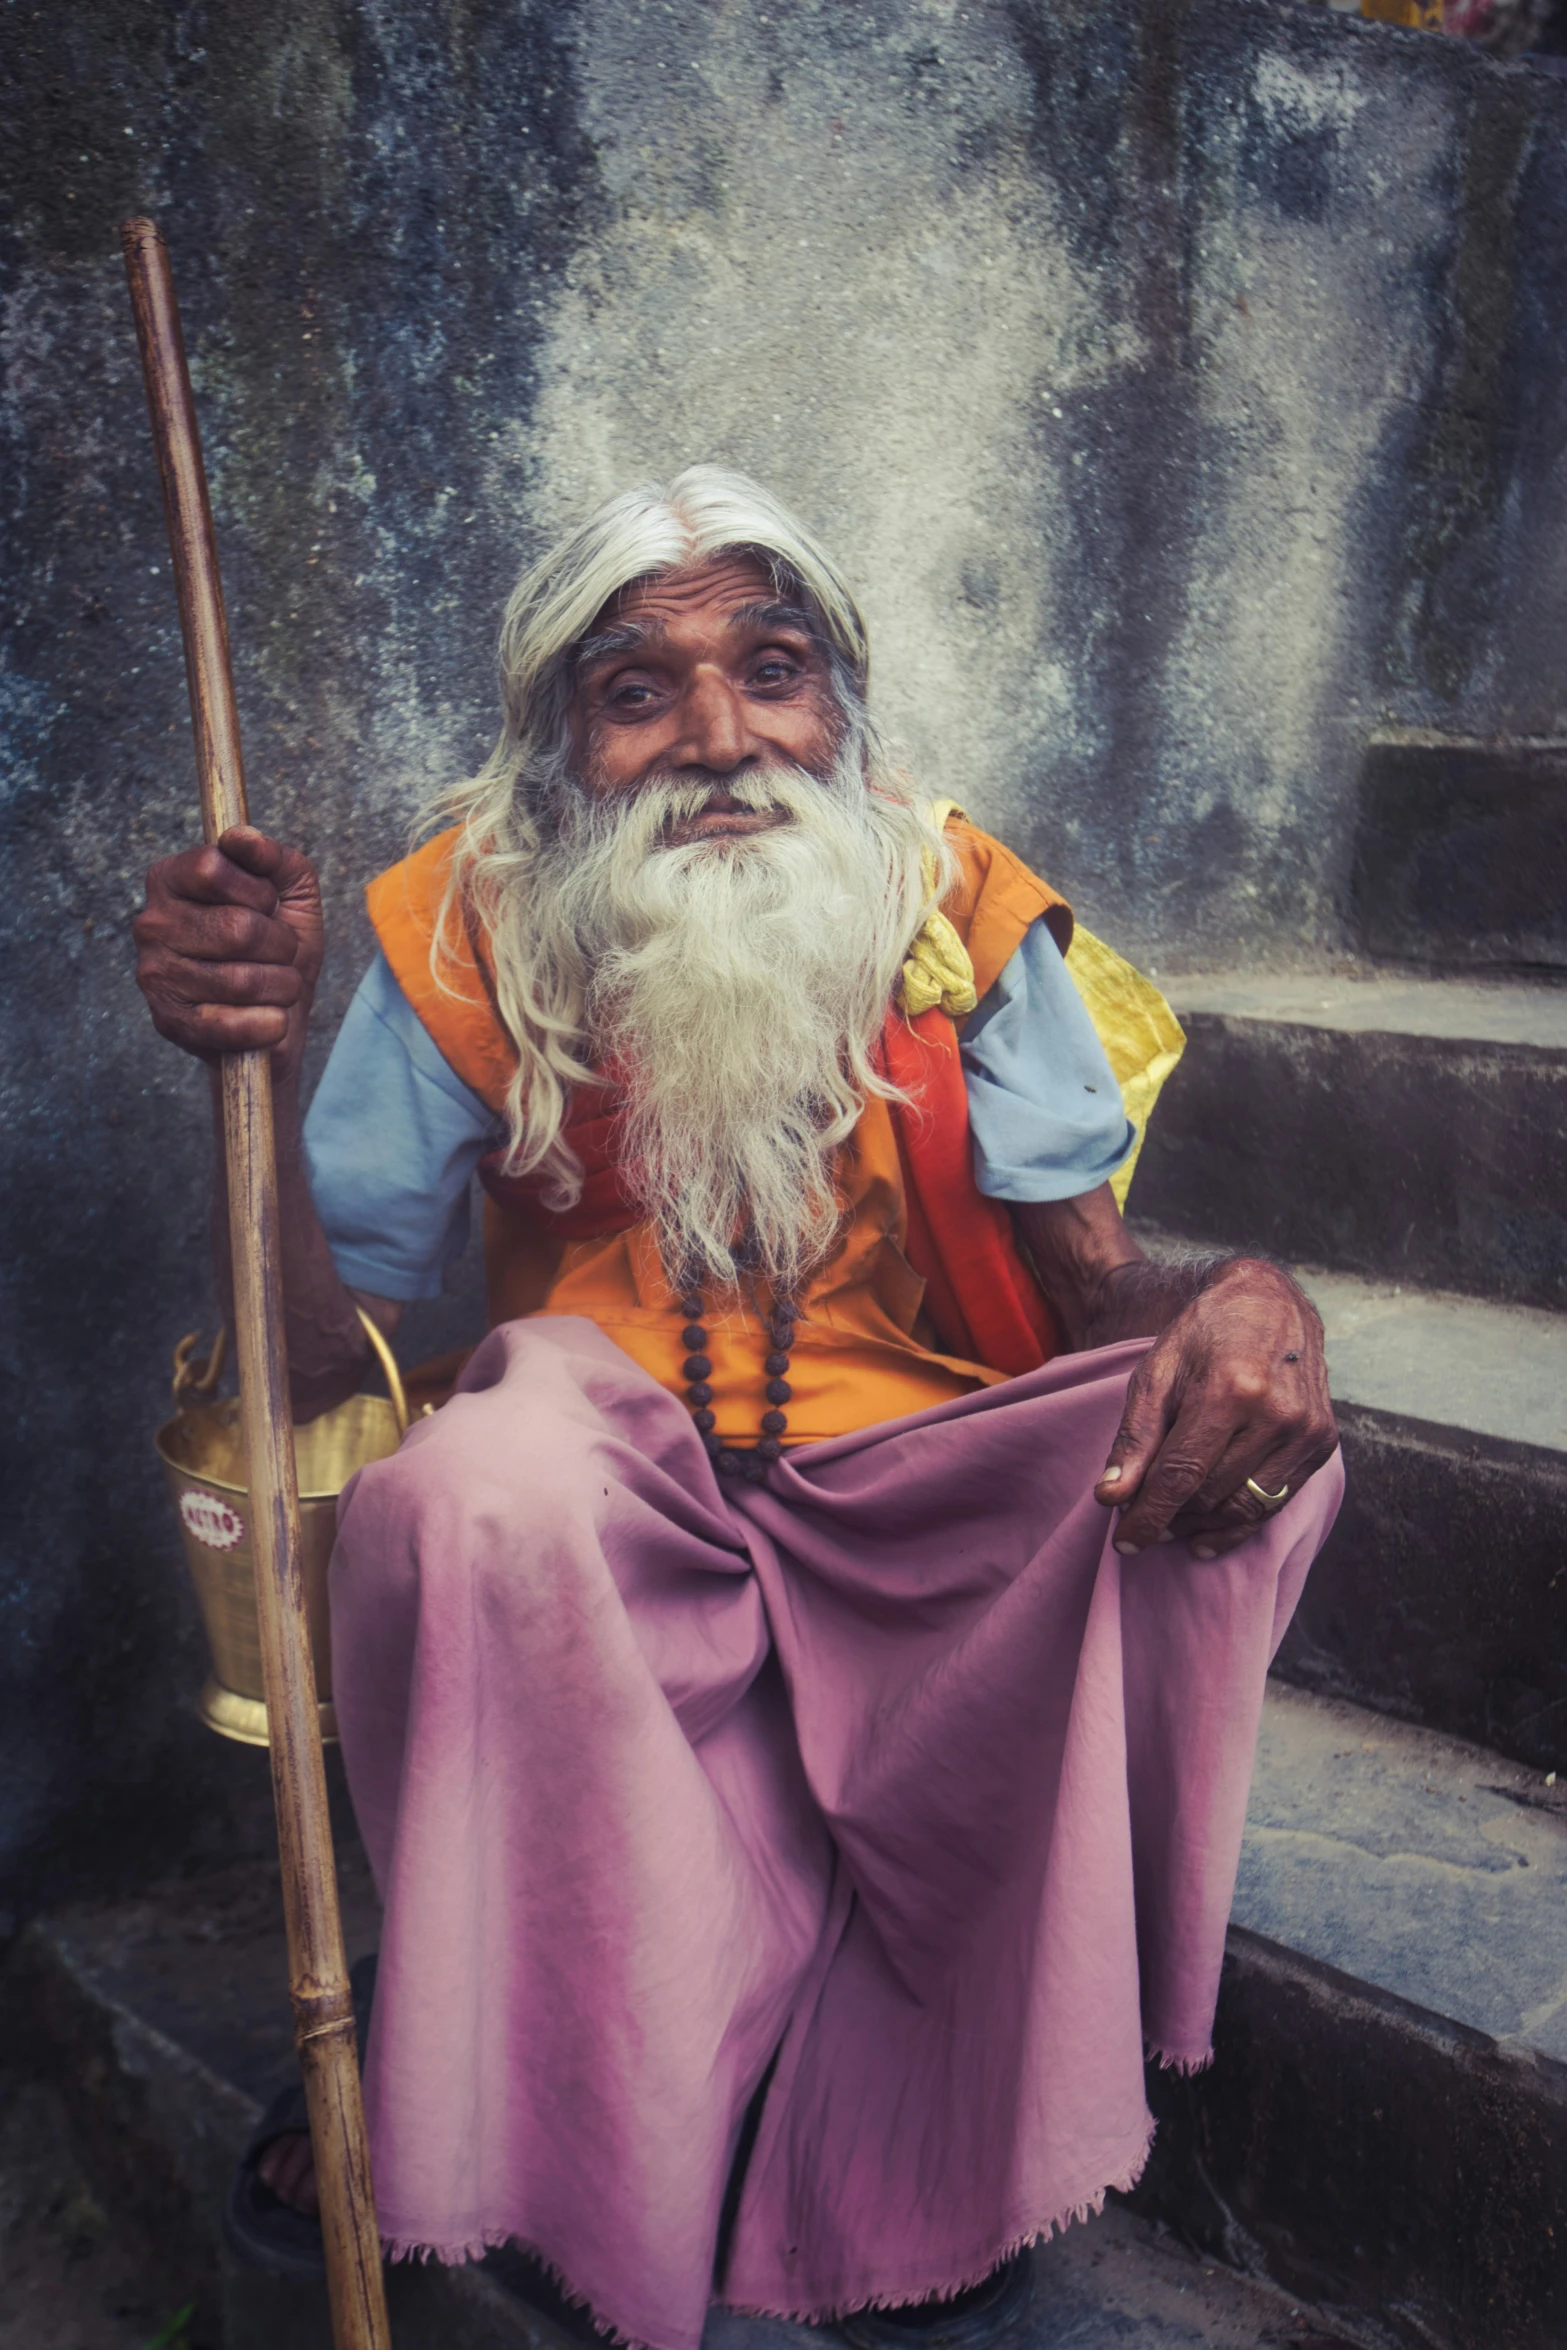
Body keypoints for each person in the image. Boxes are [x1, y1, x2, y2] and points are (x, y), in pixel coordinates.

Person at [133, 467, 1341, 2350]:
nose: (718, 739)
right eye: (640, 691)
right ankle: (473, 2043)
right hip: (609, 1495)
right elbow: (312, 1356)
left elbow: (1103, 1297)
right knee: (463, 1489)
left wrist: (1254, 1304)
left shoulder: (950, 900)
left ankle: (941, 2102)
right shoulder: (474, 913)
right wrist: (257, 1057)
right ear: (560, 743)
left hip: (907, 1508)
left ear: (840, 709)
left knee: (1240, 1461)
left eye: (770, 671)